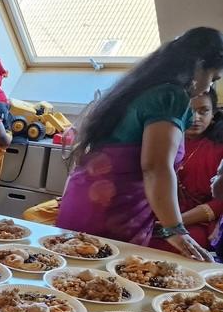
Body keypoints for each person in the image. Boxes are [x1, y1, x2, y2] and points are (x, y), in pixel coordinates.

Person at [57, 27, 223, 261]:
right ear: (199, 64)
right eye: (213, 79)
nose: (208, 88)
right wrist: (174, 229)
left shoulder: (140, 88)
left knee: (71, 273)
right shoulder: (171, 96)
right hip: (113, 208)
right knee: (99, 277)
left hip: (87, 198)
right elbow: (156, 167)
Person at [150, 89, 223, 255]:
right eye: (188, 111)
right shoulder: (161, 138)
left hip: (196, 221)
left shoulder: (218, 149)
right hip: (158, 212)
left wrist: (174, 223)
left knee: (179, 245)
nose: (195, 118)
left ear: (213, 115)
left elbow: (220, 202)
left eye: (203, 111)